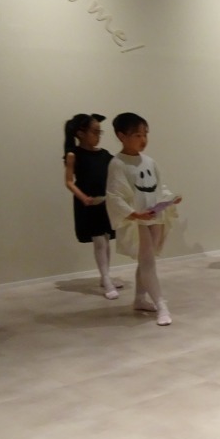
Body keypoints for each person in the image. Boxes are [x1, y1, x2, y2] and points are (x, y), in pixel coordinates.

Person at [105, 112, 182, 327]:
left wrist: (169, 199)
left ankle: (140, 298)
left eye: (145, 134)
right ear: (121, 136)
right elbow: (115, 195)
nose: (143, 139)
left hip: (154, 218)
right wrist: (134, 214)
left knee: (147, 260)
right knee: (148, 261)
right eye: (137, 135)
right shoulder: (117, 163)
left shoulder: (149, 161)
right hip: (136, 221)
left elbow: (158, 187)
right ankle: (161, 304)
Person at [63, 112, 122, 299]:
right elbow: (69, 181)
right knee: (99, 241)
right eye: (95, 132)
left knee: (106, 239)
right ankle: (106, 279)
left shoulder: (104, 155)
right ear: (81, 133)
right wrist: (83, 197)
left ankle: (106, 276)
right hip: (89, 204)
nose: (98, 136)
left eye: (100, 132)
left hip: (104, 202)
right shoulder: (74, 155)